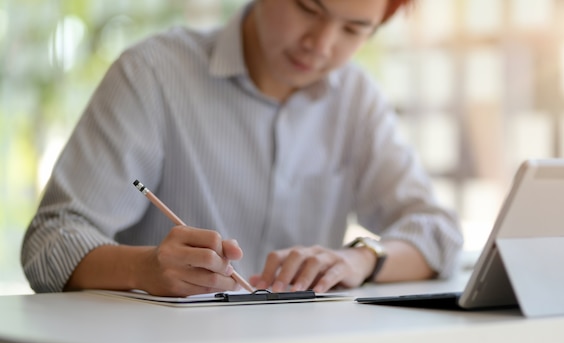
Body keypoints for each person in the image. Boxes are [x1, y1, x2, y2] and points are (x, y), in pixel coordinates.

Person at [22, 0, 463, 297]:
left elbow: (437, 234)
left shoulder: (355, 97)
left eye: (353, 29)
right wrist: (145, 268)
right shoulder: (154, 74)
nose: (322, 43)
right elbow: (50, 240)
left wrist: (361, 260)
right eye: (308, 7)